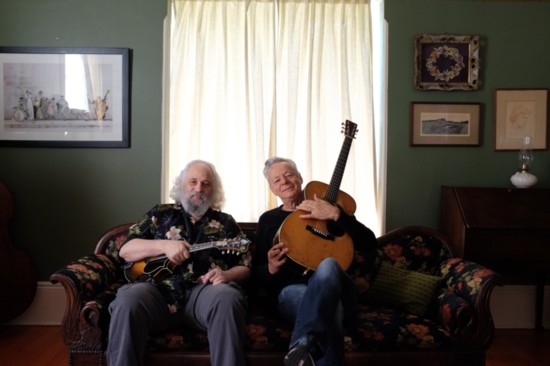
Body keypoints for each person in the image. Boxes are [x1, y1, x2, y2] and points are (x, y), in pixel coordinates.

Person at [107, 160, 252, 366]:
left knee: (227, 296)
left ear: (213, 190)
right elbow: (126, 251)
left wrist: (227, 275)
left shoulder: (225, 222)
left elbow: (245, 266)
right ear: (181, 185)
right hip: (156, 294)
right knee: (128, 298)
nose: (199, 188)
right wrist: (163, 246)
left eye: (206, 183)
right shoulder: (160, 214)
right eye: (193, 181)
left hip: (204, 294)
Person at [254, 157, 377, 366]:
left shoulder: (327, 209)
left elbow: (369, 243)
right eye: (276, 180)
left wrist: (336, 214)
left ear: (300, 178)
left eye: (289, 175)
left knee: (328, 265)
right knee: (331, 310)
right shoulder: (268, 220)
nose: (284, 181)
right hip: (292, 292)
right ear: (272, 189)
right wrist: (270, 268)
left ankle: (300, 347)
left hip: (339, 287)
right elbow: (256, 275)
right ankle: (306, 348)